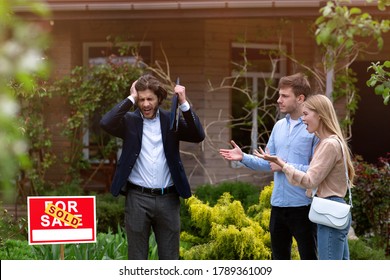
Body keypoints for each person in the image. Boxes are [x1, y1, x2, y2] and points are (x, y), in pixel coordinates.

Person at [100, 74, 205, 259]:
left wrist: (183, 103)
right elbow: (106, 122)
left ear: (159, 98)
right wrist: (130, 98)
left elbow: (198, 135)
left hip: (168, 198)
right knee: (137, 258)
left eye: (150, 99)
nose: (146, 104)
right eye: (141, 100)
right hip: (137, 199)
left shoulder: (170, 120)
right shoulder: (129, 121)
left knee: (170, 258)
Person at [219, 73, 318, 260]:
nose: (278, 100)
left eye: (284, 96)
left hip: (304, 207)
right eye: (279, 95)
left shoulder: (313, 128)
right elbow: (269, 164)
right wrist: (243, 157)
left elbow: (316, 171)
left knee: (310, 263)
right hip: (278, 206)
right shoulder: (279, 126)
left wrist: (284, 165)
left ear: (300, 98)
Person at [254, 94, 355, 260]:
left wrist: (283, 165)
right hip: (330, 210)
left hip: (329, 210)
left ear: (320, 115)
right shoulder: (327, 142)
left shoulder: (329, 144)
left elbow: (310, 180)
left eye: (306, 114)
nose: (303, 119)